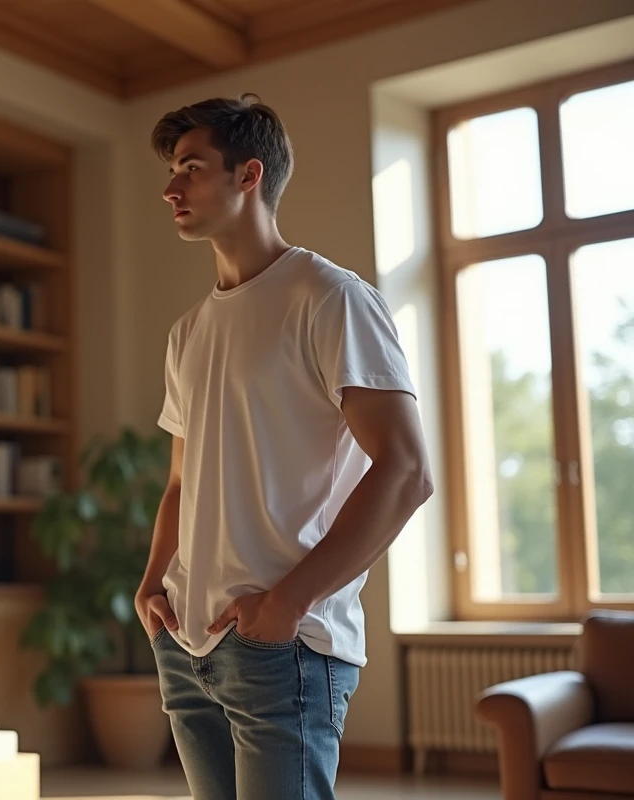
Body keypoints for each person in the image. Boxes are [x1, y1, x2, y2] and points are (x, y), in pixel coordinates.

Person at [134, 95, 434, 799]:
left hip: (284, 645)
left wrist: (287, 605)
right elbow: (182, 484)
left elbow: (407, 471)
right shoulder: (188, 332)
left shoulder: (330, 298)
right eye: (172, 172)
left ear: (249, 175)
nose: (170, 188)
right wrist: (153, 583)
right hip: (187, 640)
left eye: (191, 168)